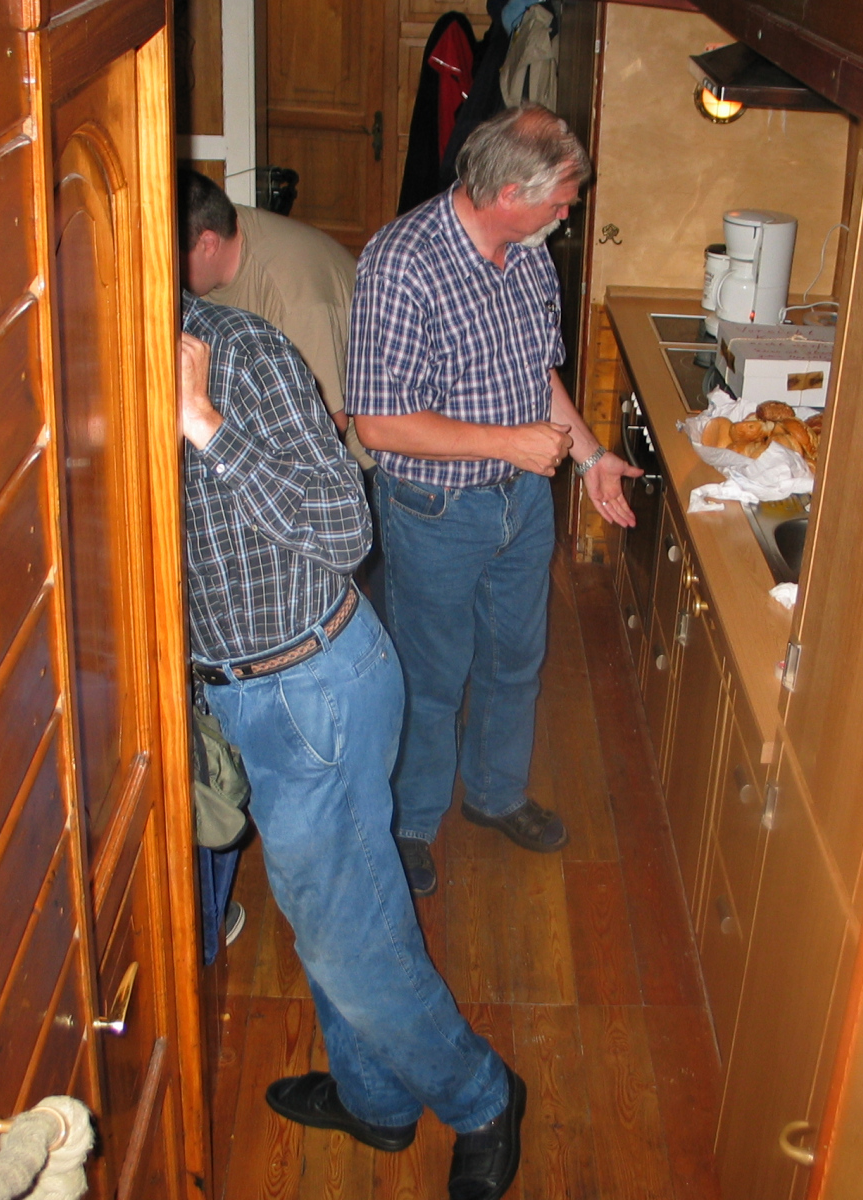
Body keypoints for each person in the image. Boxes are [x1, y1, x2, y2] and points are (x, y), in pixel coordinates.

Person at [177, 293, 526, 1200]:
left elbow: (344, 525)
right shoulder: (112, 366)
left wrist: (204, 423)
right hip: (251, 694)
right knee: (328, 917)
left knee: (354, 939)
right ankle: (375, 1101)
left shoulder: (238, 356)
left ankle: (484, 1098)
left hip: (312, 690)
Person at [346, 104, 641, 898]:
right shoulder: (402, 264)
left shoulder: (529, 255)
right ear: (511, 192)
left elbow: (538, 377)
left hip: (524, 505)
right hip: (436, 512)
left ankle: (496, 794)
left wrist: (590, 458)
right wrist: (508, 443)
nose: (567, 215)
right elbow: (378, 423)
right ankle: (412, 822)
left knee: (516, 661)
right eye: (561, 202)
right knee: (431, 676)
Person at [179, 165, 372, 469]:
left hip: (349, 462)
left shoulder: (293, 299)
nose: (168, 272)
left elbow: (326, 426)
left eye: (175, 258)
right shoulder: (216, 222)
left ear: (208, 244)